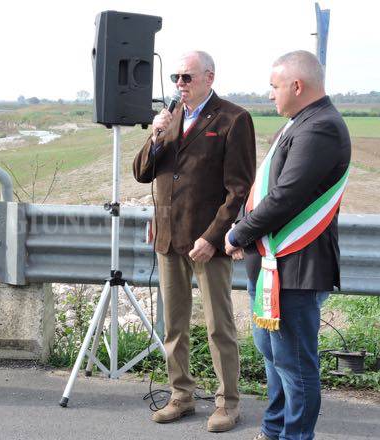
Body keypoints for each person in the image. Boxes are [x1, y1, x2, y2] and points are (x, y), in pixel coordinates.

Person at [225, 50, 351, 440]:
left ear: (297, 86)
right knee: (273, 356)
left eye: (274, 87)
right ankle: (275, 427)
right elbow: (267, 193)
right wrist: (243, 227)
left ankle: (295, 435)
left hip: (295, 266)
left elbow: (286, 197)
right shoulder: (302, 122)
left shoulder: (321, 127)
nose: (269, 95)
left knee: (294, 364)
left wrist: (237, 234)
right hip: (272, 265)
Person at [133, 51, 256, 432]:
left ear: (209, 77)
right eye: (176, 77)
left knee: (219, 325)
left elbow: (238, 189)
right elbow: (141, 173)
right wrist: (155, 136)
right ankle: (181, 395)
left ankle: (228, 403)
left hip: (208, 242)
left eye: (187, 77)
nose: (180, 84)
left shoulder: (233, 119)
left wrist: (213, 236)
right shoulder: (169, 120)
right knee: (174, 326)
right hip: (169, 239)